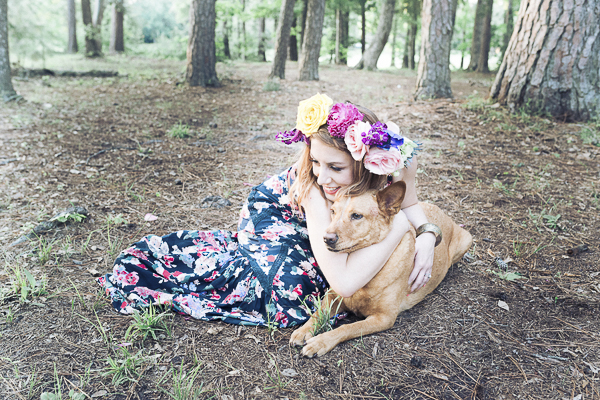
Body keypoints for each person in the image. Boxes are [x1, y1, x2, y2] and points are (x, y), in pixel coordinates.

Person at [97, 93, 439, 328]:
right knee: (297, 294)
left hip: (335, 220)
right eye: (317, 161)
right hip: (278, 213)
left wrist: (427, 235)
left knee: (334, 270)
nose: (323, 175)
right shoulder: (313, 187)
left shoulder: (394, 162)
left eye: (336, 167)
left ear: (367, 164)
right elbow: (345, 282)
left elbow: (408, 205)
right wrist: (397, 230)